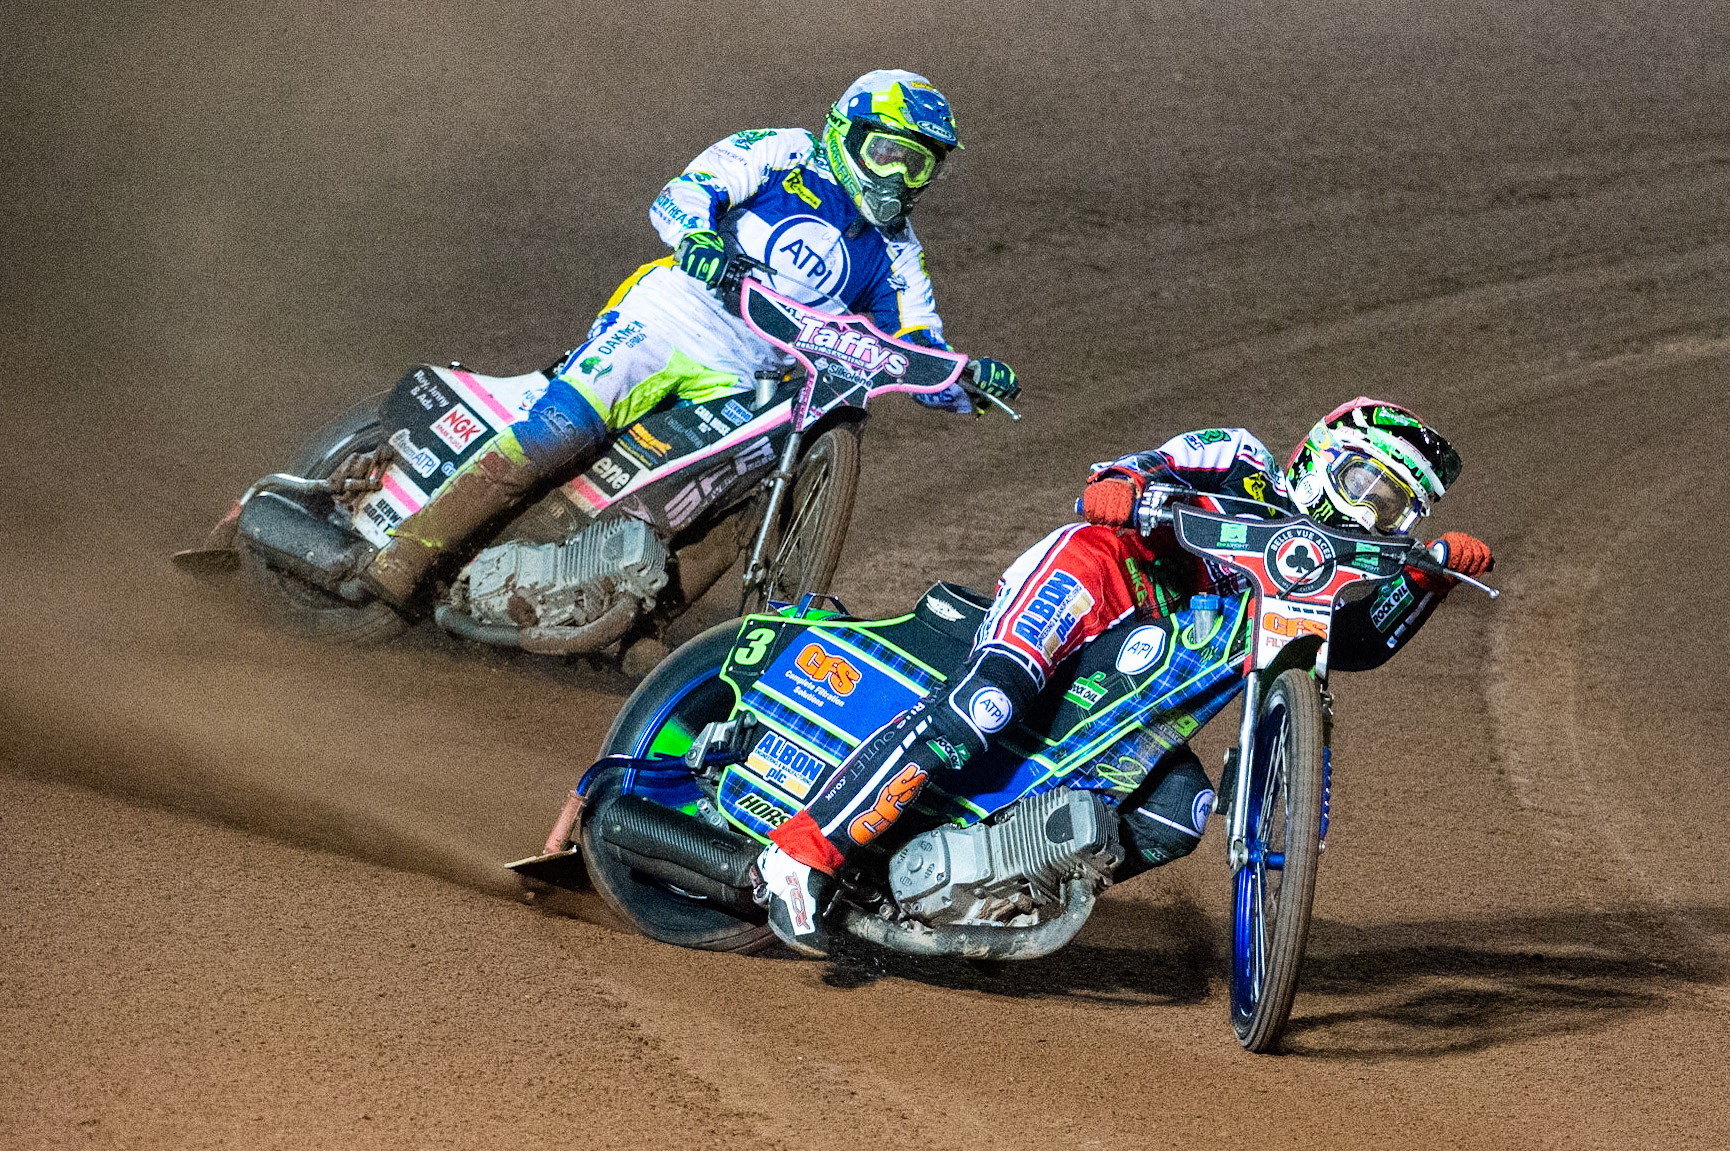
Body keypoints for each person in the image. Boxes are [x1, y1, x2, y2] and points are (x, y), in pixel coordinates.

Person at [754, 397, 1494, 954]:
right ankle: (800, 853)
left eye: (1394, 506)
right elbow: (1143, 468)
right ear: (1321, 455)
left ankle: (1001, 894)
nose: (1369, 509)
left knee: (1180, 812)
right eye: (1364, 481)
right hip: (1101, 573)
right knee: (986, 703)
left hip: (1146, 669)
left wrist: (1428, 583)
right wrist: (1121, 485)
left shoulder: (1318, 582)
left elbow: (1354, 642)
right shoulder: (1239, 455)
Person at [362, 69, 1020, 603]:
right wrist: (700, 237)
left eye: (921, 166)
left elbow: (918, 348)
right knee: (561, 430)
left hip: (752, 374)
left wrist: (965, 381)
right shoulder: (786, 151)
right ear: (848, 133)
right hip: (674, 316)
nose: (900, 179)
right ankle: (409, 551)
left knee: (742, 495)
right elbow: (687, 190)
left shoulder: (898, 253)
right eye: (890, 155)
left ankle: (637, 624)